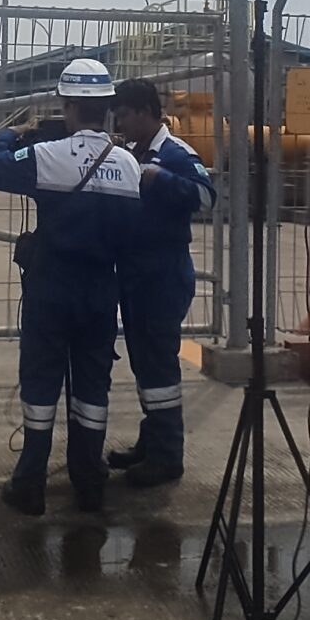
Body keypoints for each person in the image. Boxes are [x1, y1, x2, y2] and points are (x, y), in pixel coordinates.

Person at [0, 57, 141, 516]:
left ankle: (30, 483)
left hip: (52, 288)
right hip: (100, 290)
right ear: (107, 108)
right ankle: (89, 483)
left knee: (41, 380)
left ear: (67, 106)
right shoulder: (127, 165)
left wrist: (14, 133)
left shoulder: (49, 156)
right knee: (92, 386)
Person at [106, 78, 215, 487]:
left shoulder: (175, 154)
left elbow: (206, 197)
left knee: (158, 365)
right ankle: (152, 441)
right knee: (144, 364)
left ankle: (168, 456)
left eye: (124, 115)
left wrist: (161, 179)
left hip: (163, 276)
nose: (120, 124)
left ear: (144, 112)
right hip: (136, 276)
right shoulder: (132, 153)